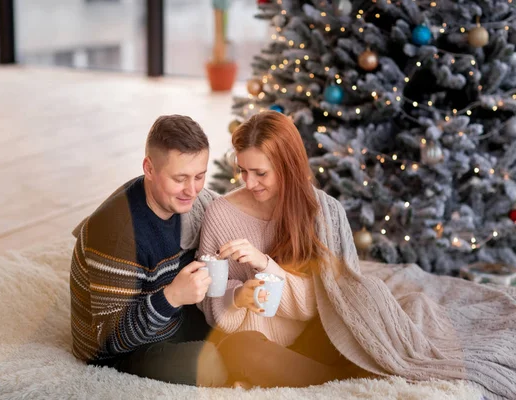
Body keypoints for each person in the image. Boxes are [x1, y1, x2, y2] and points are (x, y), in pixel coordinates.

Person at [197, 110, 516, 398]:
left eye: (260, 173)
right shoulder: (220, 214)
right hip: (256, 337)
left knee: (358, 335)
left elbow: (329, 299)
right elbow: (211, 304)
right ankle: (335, 381)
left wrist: (266, 265)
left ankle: (307, 376)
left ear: (287, 167)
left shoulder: (321, 211)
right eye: (242, 171)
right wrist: (240, 296)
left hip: (315, 332)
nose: (249, 182)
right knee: (238, 350)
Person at [69, 114, 227, 387]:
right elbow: (108, 339)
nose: (192, 190)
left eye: (199, 176)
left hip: (166, 319)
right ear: (149, 169)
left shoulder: (179, 204)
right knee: (211, 363)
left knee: (241, 330)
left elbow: (226, 209)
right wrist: (173, 296)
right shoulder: (117, 234)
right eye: (180, 178)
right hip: (117, 350)